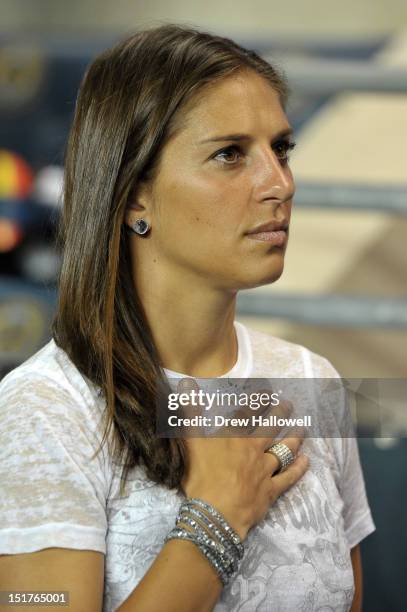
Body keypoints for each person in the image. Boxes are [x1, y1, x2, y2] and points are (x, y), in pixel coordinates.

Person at [0, 23, 375, 612]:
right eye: (230, 155)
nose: (280, 184)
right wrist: (215, 521)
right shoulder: (45, 409)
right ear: (133, 196)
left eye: (280, 149)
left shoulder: (311, 380)